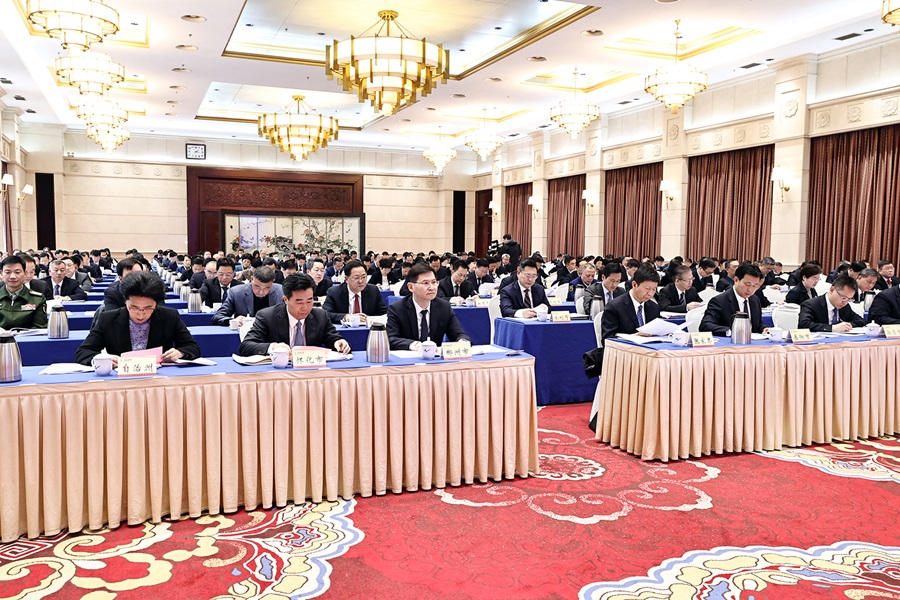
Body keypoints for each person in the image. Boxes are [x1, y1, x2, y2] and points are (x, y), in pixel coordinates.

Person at [75, 271, 201, 367]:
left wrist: (179, 353)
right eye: (134, 308)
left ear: (156, 304)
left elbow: (192, 347)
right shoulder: (108, 319)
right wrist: (102, 359)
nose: (141, 315)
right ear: (125, 302)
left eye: (148, 308)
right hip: (120, 379)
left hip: (158, 377)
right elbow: (83, 352)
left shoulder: (169, 316)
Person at [238, 273, 350, 356]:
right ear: (285, 299)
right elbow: (246, 346)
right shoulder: (267, 316)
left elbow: (333, 338)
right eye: (299, 302)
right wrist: (274, 347)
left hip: (311, 371)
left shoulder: (320, 316)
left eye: (309, 301)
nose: (305, 307)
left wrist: (338, 342)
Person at [386, 262, 470, 351]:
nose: (431, 287)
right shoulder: (397, 309)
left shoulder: (444, 307)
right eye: (425, 283)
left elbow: (458, 334)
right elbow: (391, 339)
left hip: (434, 358)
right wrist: (414, 345)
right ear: (411, 287)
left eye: (434, 282)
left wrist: (462, 341)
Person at [700, 262, 767, 336]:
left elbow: (757, 324)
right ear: (736, 280)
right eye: (748, 284)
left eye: (755, 286)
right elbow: (705, 326)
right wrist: (732, 332)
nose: (750, 290)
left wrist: (764, 328)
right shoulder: (719, 301)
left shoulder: (754, 300)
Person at [600, 267, 661, 343]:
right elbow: (607, 339)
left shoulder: (654, 308)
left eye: (654, 289)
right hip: (624, 349)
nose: (650, 294)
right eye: (647, 288)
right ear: (634, 285)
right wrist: (633, 337)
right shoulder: (614, 307)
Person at [212, 266, 283, 326]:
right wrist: (232, 321)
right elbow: (217, 317)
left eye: (267, 288)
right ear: (251, 279)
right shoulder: (236, 293)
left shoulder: (281, 292)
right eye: (257, 286)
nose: (261, 292)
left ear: (272, 282)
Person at [322, 259, 387, 324]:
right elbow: (326, 314)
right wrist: (347, 317)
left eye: (363, 277)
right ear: (346, 279)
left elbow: (384, 313)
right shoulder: (334, 292)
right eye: (356, 278)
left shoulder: (373, 291)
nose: (361, 281)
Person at [798, 275, 865, 332]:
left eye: (849, 299)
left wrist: (846, 326)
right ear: (832, 290)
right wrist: (832, 328)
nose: (845, 302)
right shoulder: (811, 305)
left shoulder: (845, 306)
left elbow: (860, 321)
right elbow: (804, 325)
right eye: (843, 298)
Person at [0, 255, 48, 329]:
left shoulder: (37, 299)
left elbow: (40, 328)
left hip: (28, 336)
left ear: (25, 273)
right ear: (1, 273)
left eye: (17, 272)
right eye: (8, 272)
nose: (12, 276)